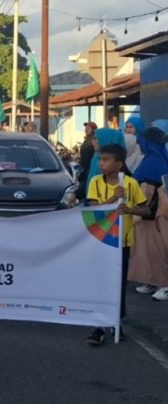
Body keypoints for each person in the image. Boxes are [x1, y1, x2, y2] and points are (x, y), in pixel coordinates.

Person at [84, 144, 149, 346]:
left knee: (118, 283)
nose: (101, 164)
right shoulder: (96, 182)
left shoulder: (130, 183)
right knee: (100, 281)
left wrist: (129, 210)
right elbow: (94, 208)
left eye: (106, 160)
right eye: (100, 160)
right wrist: (113, 198)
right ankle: (98, 325)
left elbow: (146, 210)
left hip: (122, 242)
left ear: (119, 164)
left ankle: (116, 322)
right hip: (101, 240)